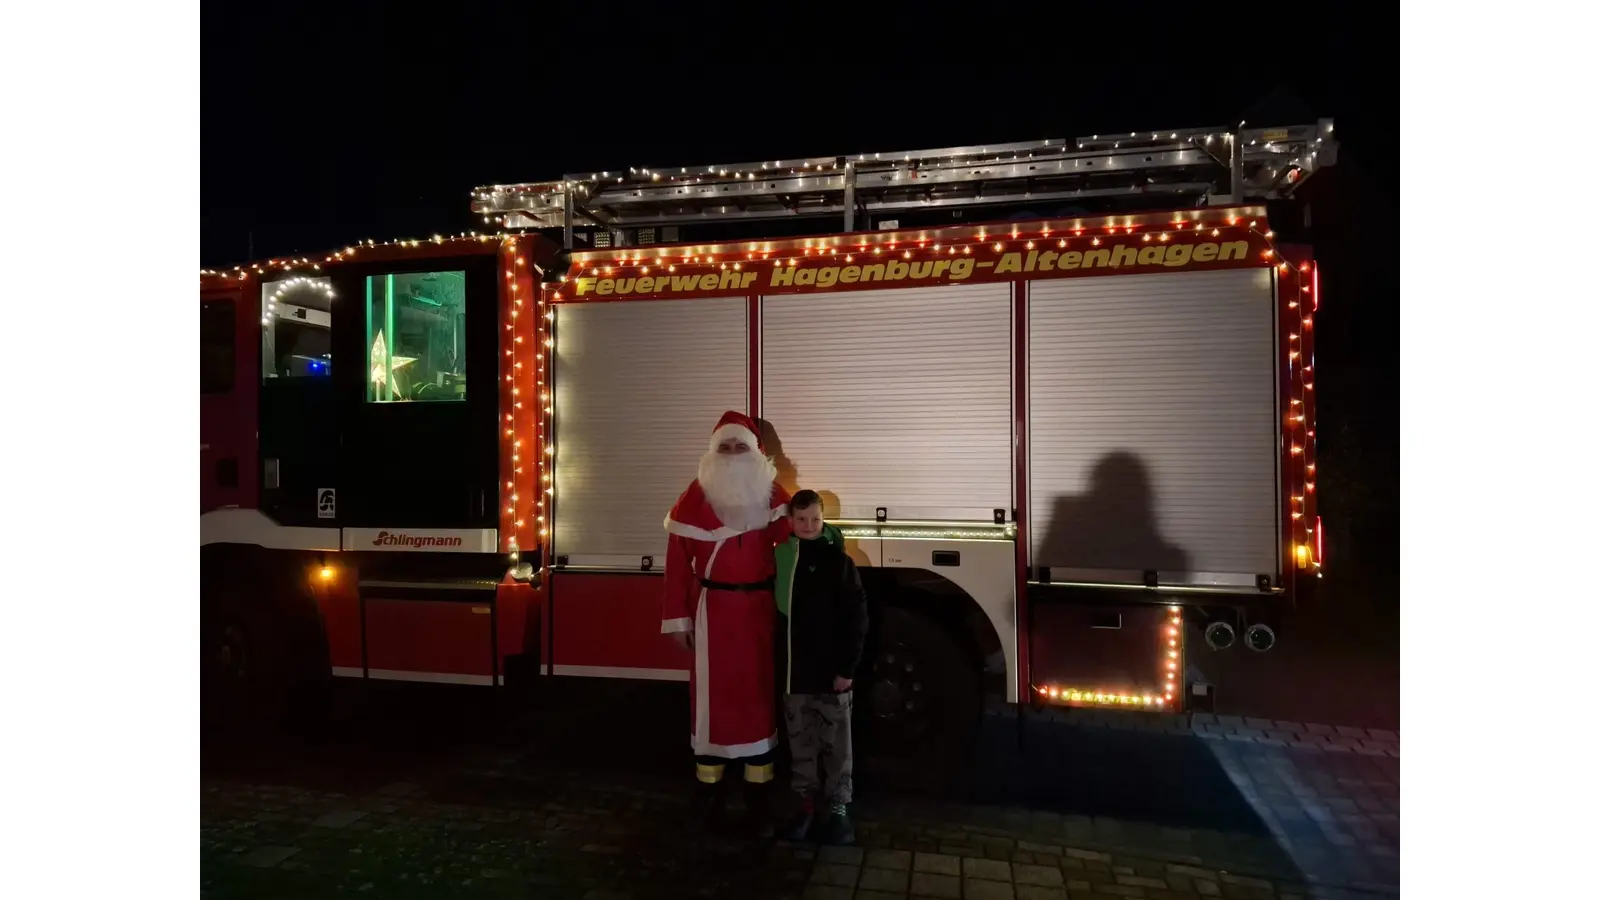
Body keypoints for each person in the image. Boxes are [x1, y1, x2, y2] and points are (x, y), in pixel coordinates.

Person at [662, 411, 792, 835]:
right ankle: (708, 795)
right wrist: (678, 620)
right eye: (726, 447)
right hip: (712, 615)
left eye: (741, 447)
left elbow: (799, 544)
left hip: (757, 614)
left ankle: (759, 799)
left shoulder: (774, 499)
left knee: (757, 700)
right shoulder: (693, 501)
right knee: (712, 705)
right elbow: (678, 567)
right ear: (712, 453)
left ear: (756, 454)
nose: (734, 455)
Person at [774, 490, 869, 845]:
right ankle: (805, 807)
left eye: (815, 519)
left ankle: (840, 810)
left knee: (837, 746)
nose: (808, 526)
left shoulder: (839, 562)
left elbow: (857, 619)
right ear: (790, 522)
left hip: (833, 675)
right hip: (794, 675)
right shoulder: (781, 559)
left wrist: (847, 668)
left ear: (823, 518)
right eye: (801, 520)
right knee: (801, 745)